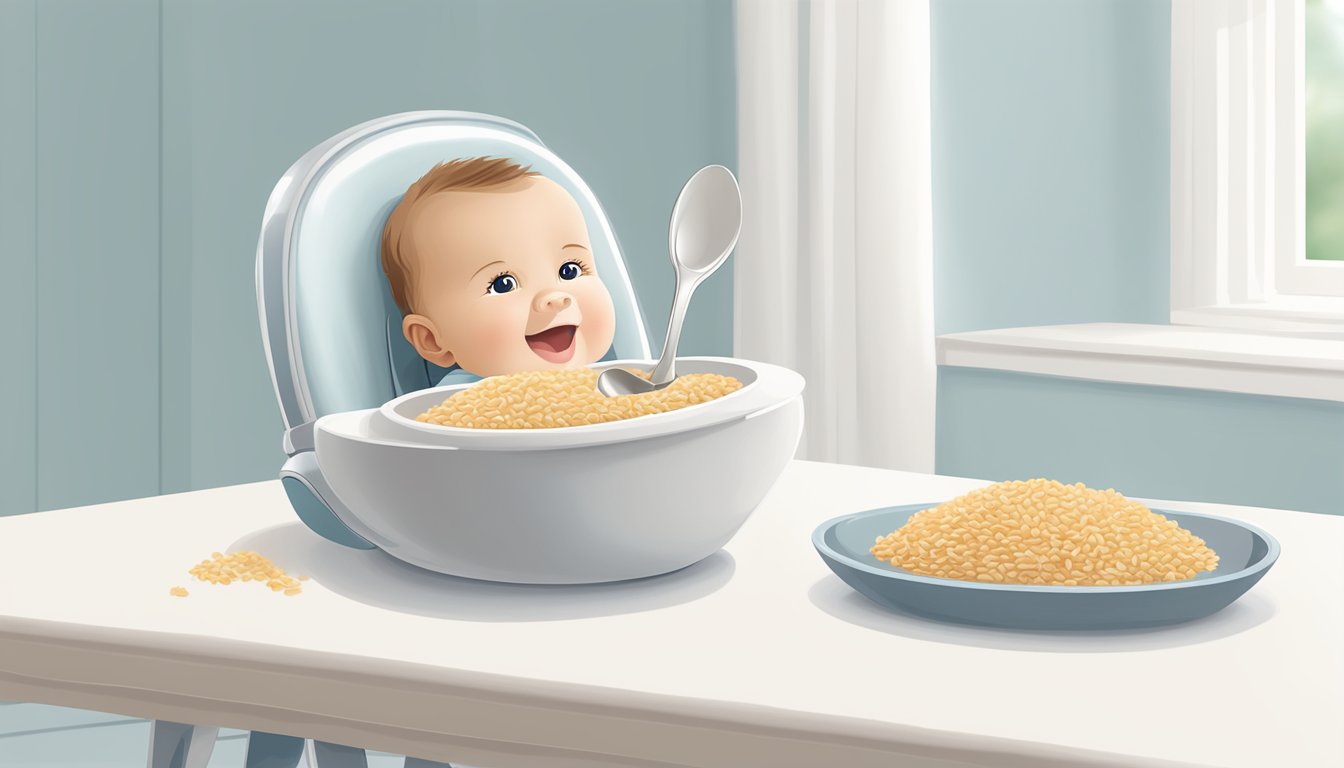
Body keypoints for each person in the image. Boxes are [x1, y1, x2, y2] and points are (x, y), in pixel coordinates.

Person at [380, 156, 617, 386]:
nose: (555, 298)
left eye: (570, 270)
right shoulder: (460, 406)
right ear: (431, 339)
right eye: (502, 284)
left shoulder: (614, 384)